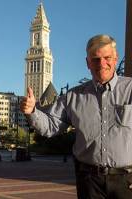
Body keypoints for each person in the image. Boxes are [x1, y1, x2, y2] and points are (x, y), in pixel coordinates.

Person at [20, 34, 132, 199]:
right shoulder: (73, 97)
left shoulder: (130, 89)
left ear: (115, 59)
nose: (102, 64)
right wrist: (32, 111)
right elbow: (51, 126)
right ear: (88, 63)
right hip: (89, 180)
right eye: (95, 59)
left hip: (127, 180)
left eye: (107, 57)